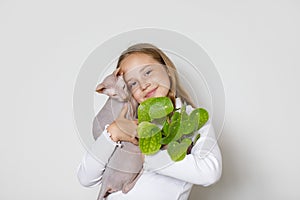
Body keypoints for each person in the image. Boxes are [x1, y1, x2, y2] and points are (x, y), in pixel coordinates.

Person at [77, 43, 222, 200]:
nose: (143, 85)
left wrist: (147, 156)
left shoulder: (192, 119)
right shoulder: (127, 123)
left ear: (167, 69)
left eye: (147, 72)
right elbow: (86, 178)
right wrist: (111, 134)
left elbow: (210, 172)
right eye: (132, 83)